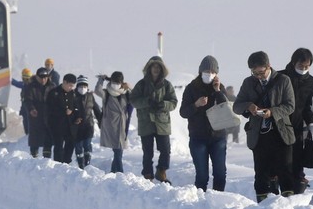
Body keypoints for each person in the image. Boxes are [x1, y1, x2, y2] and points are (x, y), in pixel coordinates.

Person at [233, 51, 296, 202]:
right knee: (261, 172)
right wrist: (249, 106)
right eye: (254, 73)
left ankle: (288, 204)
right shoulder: (248, 82)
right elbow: (236, 106)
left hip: (280, 132)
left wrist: (273, 112)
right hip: (259, 134)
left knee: (285, 169)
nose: (258, 76)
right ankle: (263, 205)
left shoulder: (283, 80)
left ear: (268, 67)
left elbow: (290, 105)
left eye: (261, 72)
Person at [179, 56, 229, 192]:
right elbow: (183, 112)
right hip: (198, 137)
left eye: (212, 72)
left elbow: (227, 108)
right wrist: (196, 104)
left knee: (220, 173)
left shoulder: (220, 87)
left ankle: (217, 199)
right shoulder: (191, 88)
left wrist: (218, 91)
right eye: (206, 71)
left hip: (218, 137)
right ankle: (200, 203)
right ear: (200, 71)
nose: (209, 74)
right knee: (202, 175)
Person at [130, 56, 178, 184]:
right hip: (146, 122)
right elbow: (133, 100)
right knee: (147, 152)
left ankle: (161, 172)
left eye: (158, 67)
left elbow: (173, 102)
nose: (156, 69)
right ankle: (147, 174)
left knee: (165, 150)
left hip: (162, 123)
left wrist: (163, 105)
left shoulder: (167, 85)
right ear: (149, 68)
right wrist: (147, 102)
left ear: (162, 69)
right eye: (153, 66)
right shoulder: (141, 84)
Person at [279, 48, 313, 194]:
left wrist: (311, 123)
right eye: (300, 66)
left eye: (307, 67)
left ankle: (297, 187)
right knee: (281, 156)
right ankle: (279, 186)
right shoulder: (281, 76)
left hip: (297, 124)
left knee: (296, 156)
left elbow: (307, 104)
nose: (303, 69)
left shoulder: (311, 81)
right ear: (293, 62)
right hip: (279, 123)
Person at [95, 71, 132, 173]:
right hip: (110, 126)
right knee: (118, 151)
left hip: (122, 125)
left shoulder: (125, 94)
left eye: (118, 82)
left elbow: (135, 98)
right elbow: (97, 91)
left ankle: (113, 172)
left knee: (118, 151)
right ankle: (120, 173)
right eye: (114, 82)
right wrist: (101, 80)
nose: (116, 85)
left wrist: (128, 87)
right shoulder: (106, 93)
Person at [46, 73, 79, 164]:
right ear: (64, 82)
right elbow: (49, 109)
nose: (71, 88)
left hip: (70, 125)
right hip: (57, 125)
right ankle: (58, 164)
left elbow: (76, 106)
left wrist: (76, 115)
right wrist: (64, 111)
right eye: (70, 85)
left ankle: (67, 162)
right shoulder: (54, 93)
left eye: (73, 86)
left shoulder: (73, 94)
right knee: (58, 146)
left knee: (70, 144)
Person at [23, 67, 55, 157]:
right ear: (36, 77)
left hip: (48, 117)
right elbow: (27, 100)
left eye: (45, 77)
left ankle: (46, 160)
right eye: (41, 77)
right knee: (35, 140)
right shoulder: (31, 87)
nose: (43, 79)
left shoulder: (52, 87)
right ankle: (34, 156)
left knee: (48, 140)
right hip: (36, 117)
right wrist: (31, 109)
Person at [73, 76, 102, 168]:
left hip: (88, 125)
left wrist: (101, 122)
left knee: (87, 145)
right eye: (81, 86)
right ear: (77, 86)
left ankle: (87, 163)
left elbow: (97, 110)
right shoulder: (72, 96)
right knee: (78, 146)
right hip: (76, 127)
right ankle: (80, 164)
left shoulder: (90, 96)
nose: (83, 88)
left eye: (85, 86)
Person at [12, 68, 33, 134]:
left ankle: (28, 136)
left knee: (28, 124)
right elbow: (17, 83)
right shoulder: (27, 84)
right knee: (26, 123)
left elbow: (17, 83)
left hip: (28, 108)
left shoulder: (27, 85)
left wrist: (9, 79)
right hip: (26, 108)